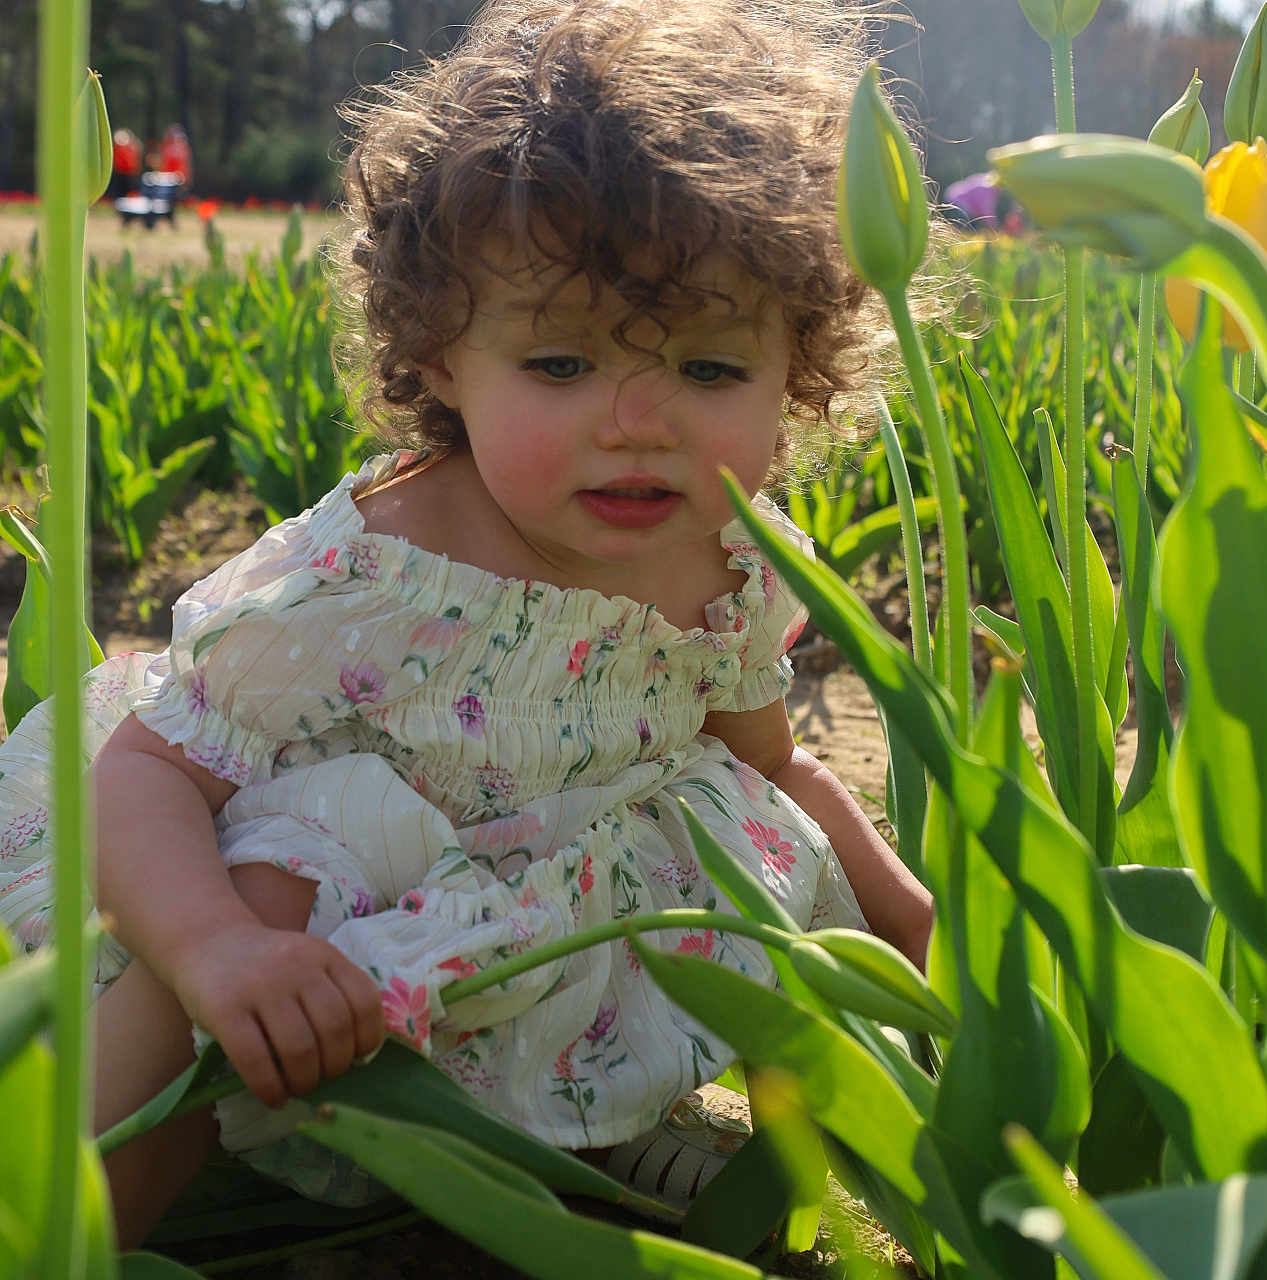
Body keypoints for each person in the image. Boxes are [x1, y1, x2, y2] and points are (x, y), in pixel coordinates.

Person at [0, 0, 933, 1249]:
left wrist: (917, 922)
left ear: (796, 368)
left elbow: (769, 761)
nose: (634, 420)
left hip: (549, 911)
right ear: (439, 355)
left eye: (709, 370)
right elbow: (144, 767)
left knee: (735, 850)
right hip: (312, 922)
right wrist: (216, 947)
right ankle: (68, 1211)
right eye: (559, 365)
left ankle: (603, 1135)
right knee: (284, 862)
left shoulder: (731, 559)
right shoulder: (381, 569)